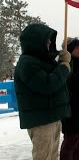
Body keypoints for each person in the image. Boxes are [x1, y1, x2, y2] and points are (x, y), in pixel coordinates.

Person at [14, 24, 71, 160]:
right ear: (36, 41)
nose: (50, 42)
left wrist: (66, 63)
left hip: (51, 117)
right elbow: (48, 84)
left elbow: (62, 79)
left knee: (52, 156)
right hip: (41, 121)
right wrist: (64, 66)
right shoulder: (27, 63)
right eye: (47, 40)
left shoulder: (44, 60)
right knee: (43, 157)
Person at [60, 38, 79, 160]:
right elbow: (66, 83)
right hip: (71, 109)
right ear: (71, 49)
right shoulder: (65, 63)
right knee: (70, 143)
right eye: (78, 47)